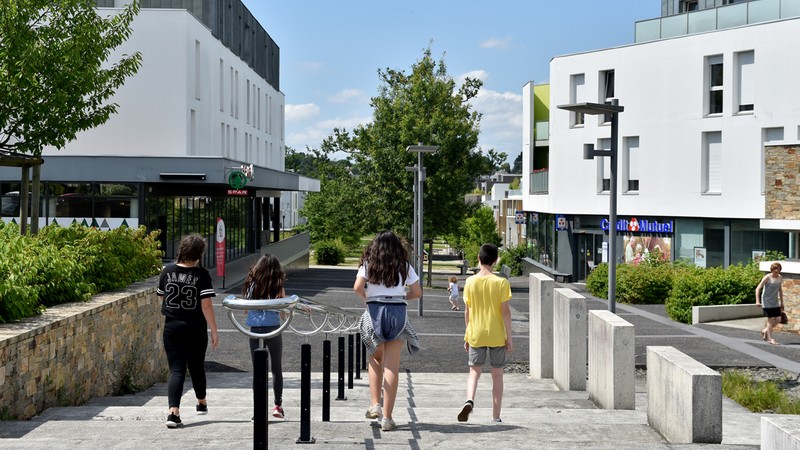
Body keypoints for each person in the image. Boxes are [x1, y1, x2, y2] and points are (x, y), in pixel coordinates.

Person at [355, 231, 422, 432]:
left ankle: (375, 403)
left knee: (375, 359)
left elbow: (357, 287)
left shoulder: (369, 264)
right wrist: (402, 297)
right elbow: (417, 292)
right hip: (398, 313)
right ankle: (387, 417)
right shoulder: (405, 266)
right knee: (392, 366)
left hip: (375, 311)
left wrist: (369, 298)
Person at [156, 234, 219, 428]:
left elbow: (161, 298)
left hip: (172, 326)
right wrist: (214, 331)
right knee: (196, 365)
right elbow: (206, 305)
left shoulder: (167, 271)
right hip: (195, 328)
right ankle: (201, 402)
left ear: (181, 249)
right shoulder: (201, 275)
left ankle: (173, 413)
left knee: (177, 369)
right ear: (199, 253)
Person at [458, 243, 512, 423]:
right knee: (497, 375)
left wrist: (467, 334)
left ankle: (469, 400)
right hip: (497, 333)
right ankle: (496, 416)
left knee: (474, 372)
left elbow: (467, 311)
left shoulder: (470, 282)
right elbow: (505, 312)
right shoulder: (501, 283)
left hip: (476, 332)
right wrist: (509, 337)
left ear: (479, 259)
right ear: (495, 260)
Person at [243, 254, 287, 419]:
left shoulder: (251, 284)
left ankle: (258, 408)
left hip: (254, 330)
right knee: (276, 368)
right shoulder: (277, 285)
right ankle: (277, 405)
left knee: (258, 370)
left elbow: (247, 309)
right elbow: (283, 311)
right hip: (273, 329)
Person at [755, 262, 785, 346]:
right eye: (774, 268)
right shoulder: (767, 277)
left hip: (775, 301)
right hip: (766, 301)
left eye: (778, 269)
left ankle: (765, 330)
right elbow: (758, 288)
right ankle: (770, 339)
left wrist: (782, 303)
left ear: (780, 270)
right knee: (771, 320)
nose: (776, 270)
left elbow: (780, 290)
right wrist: (757, 301)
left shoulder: (780, 278)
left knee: (779, 319)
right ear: (771, 269)